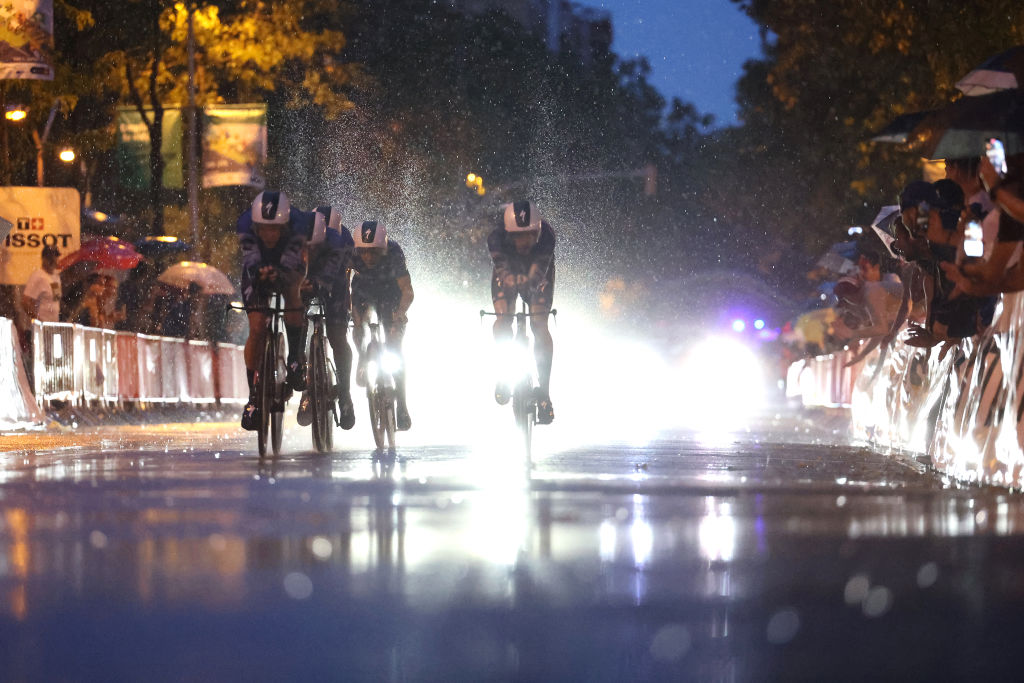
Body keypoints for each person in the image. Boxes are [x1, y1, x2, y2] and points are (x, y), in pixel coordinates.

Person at [237, 190, 309, 431]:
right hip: (257, 267)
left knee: (292, 293)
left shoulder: (299, 226)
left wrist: (281, 274)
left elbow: (294, 264)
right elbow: (250, 263)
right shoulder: (245, 226)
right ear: (255, 225)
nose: (269, 234)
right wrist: (260, 273)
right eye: (263, 229)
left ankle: (295, 359)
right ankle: (252, 397)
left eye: (276, 229)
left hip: (288, 263)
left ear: (286, 225)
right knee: (257, 327)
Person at [488, 200, 556, 425]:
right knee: (502, 319)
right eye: (517, 236)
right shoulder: (496, 238)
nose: (523, 241)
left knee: (539, 324)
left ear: (537, 232)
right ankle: (503, 373)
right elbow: (502, 271)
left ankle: (544, 393)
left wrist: (526, 284)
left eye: (528, 235)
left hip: (538, 269)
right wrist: (510, 280)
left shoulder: (547, 236)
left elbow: (538, 274)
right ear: (507, 235)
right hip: (508, 268)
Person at [295, 206, 357, 430]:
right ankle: (303, 378)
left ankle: (345, 394)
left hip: (336, 283)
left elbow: (349, 277)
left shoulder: (345, 241)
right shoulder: (301, 232)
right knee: (297, 321)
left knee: (337, 336)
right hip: (307, 274)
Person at [351, 220, 414, 431]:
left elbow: (407, 291)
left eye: (374, 253)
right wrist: (355, 320)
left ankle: (402, 405)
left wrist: (400, 314)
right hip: (363, 293)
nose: (368, 257)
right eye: (364, 252)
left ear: (384, 250)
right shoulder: (351, 254)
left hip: (391, 295)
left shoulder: (395, 253)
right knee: (358, 325)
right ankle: (362, 356)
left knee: (395, 345)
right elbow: (344, 288)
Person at [21, 244, 62, 323]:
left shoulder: (56, 276)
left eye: (55, 256)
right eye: (50, 258)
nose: (53, 260)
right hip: (41, 328)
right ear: (43, 259)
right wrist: (39, 321)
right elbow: (25, 302)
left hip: (53, 325)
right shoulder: (37, 276)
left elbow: (56, 299)